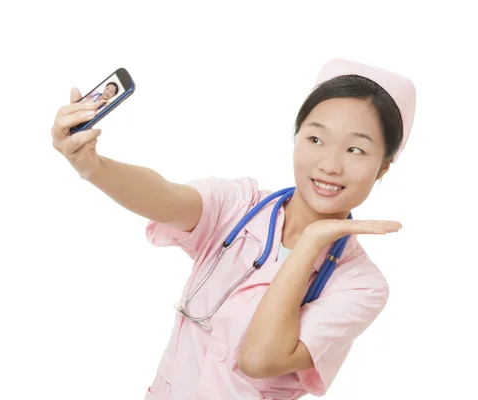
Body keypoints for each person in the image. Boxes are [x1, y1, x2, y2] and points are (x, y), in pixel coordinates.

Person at [50, 58, 416, 399]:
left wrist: (308, 246)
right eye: (315, 139)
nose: (330, 165)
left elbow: (260, 359)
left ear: (384, 165)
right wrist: (92, 167)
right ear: (296, 137)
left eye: (355, 150)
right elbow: (165, 196)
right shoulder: (240, 205)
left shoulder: (361, 284)